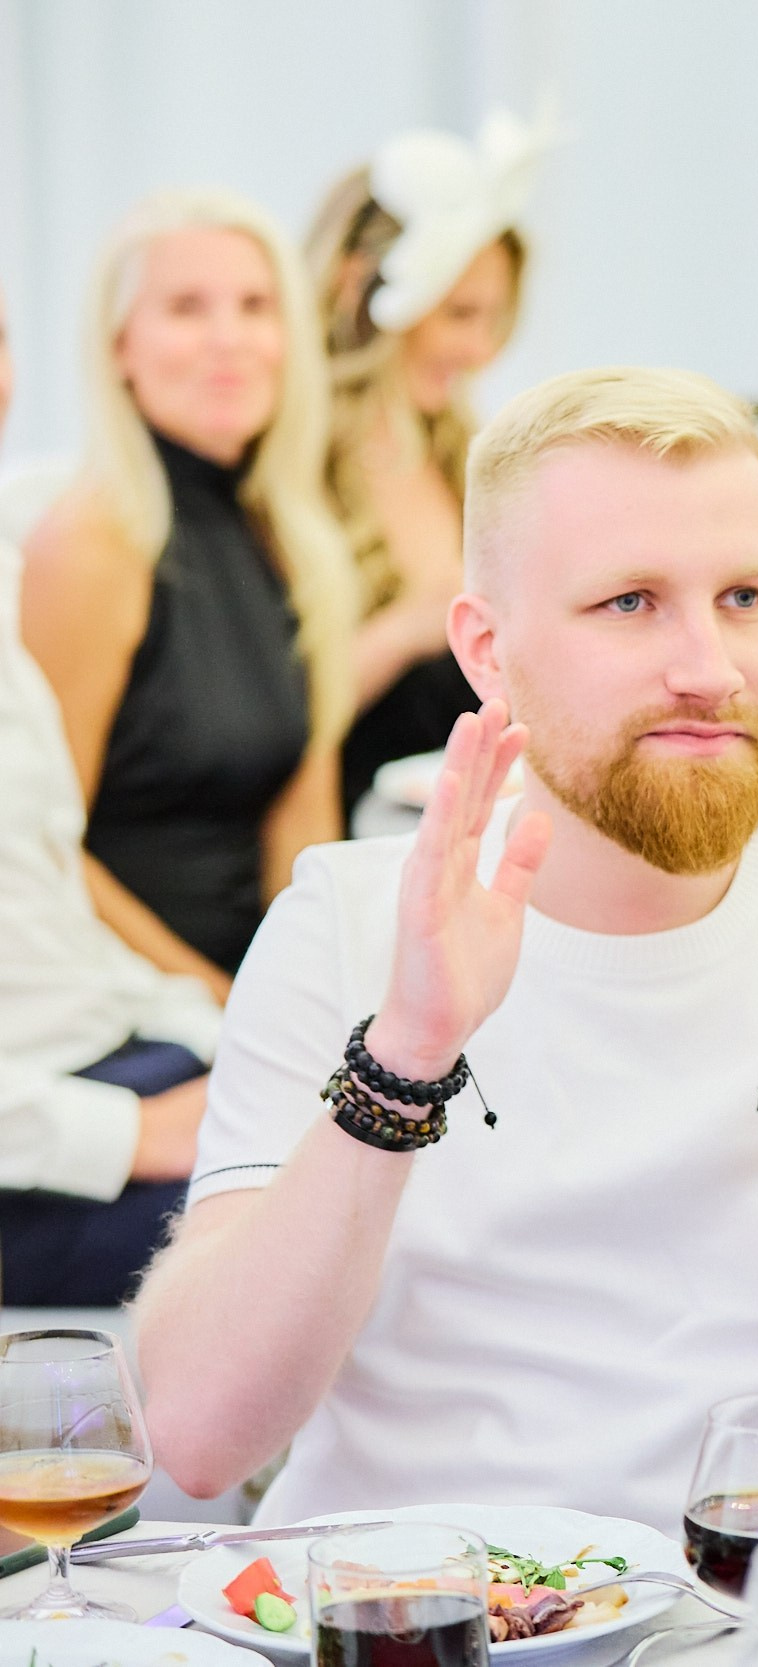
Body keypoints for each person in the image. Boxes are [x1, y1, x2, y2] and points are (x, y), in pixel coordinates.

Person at [133, 368, 758, 1533]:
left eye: (745, 597)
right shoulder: (346, 922)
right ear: (486, 648)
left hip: (756, 1627)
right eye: (630, 602)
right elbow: (199, 1430)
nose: (709, 667)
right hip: (394, 1619)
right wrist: (405, 1058)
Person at [19, 191, 356, 993]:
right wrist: (222, 1006)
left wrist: (323, 990)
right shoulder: (92, 546)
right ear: (120, 348)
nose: (229, 340)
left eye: (255, 306)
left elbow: (304, 825)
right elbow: (42, 848)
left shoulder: (294, 540)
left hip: (256, 980)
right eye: (185, 308)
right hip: (127, 995)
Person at [0, 280, 222, 1307]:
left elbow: (44, 896)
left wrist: (218, 1028)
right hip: (35, 1152)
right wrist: (136, 1132)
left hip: (94, 1057)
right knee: (343, 1217)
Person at [309, 113, 542, 822]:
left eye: (492, 320)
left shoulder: (460, 451)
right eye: (458, 315)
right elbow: (271, 718)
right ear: (359, 288)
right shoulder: (292, 464)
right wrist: (410, 625)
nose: (481, 350)